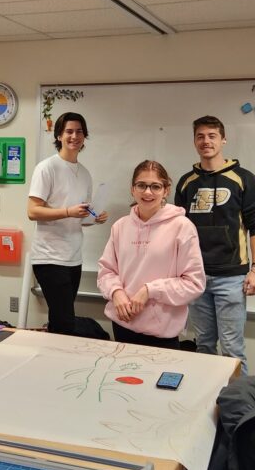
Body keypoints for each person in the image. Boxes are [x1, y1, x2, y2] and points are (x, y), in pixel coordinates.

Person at [175, 115, 255, 370]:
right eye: (200, 136)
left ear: (223, 140)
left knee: (232, 349)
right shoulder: (186, 182)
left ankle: (239, 408)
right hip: (196, 277)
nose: (206, 141)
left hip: (231, 278)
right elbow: (178, 231)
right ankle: (205, 405)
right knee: (203, 345)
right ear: (194, 141)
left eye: (212, 136)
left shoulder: (243, 179)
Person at [97, 161, 204, 349]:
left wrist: (149, 290)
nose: (147, 192)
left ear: (166, 190)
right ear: (132, 189)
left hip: (161, 333)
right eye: (141, 185)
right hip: (122, 324)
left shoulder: (182, 227)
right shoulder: (120, 227)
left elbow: (194, 283)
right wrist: (116, 292)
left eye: (155, 186)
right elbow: (106, 271)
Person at [27, 112, 108, 334]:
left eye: (79, 131)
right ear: (59, 135)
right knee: (65, 322)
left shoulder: (84, 174)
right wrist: (68, 212)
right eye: (69, 131)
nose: (74, 136)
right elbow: (32, 211)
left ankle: (50, 360)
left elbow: (80, 219)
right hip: (49, 257)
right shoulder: (47, 168)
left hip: (74, 258)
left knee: (60, 320)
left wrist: (94, 217)